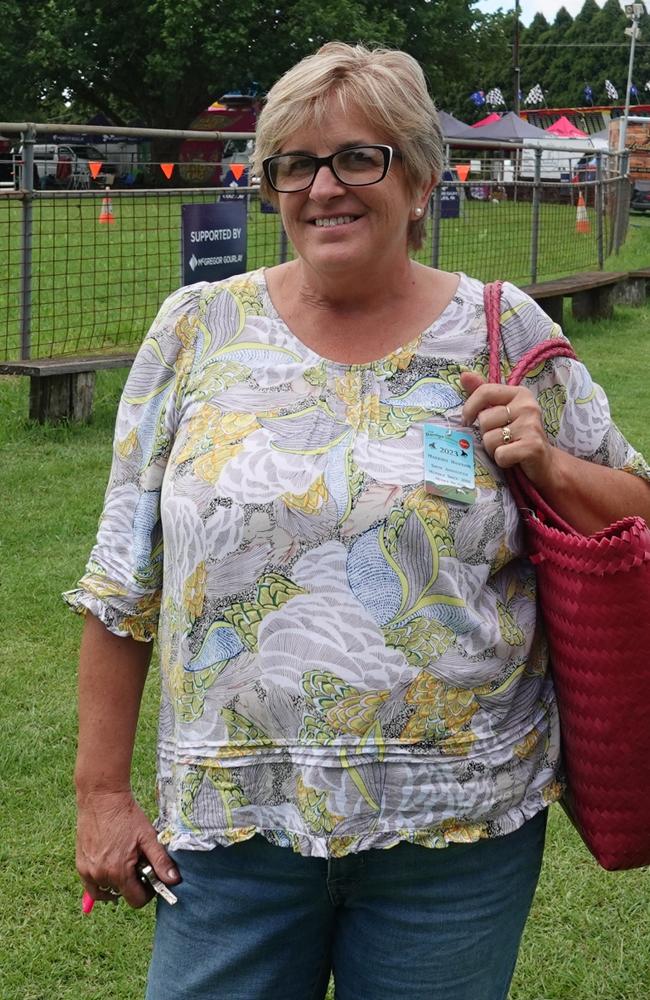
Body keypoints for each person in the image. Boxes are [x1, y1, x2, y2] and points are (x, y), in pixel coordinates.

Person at [65, 42, 650, 1000]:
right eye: (296, 163)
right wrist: (99, 794)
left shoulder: (504, 336)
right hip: (228, 833)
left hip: (456, 838)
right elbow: (124, 576)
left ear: (421, 179)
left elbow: (637, 513)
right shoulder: (195, 330)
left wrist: (545, 460)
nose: (323, 187)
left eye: (357, 158)